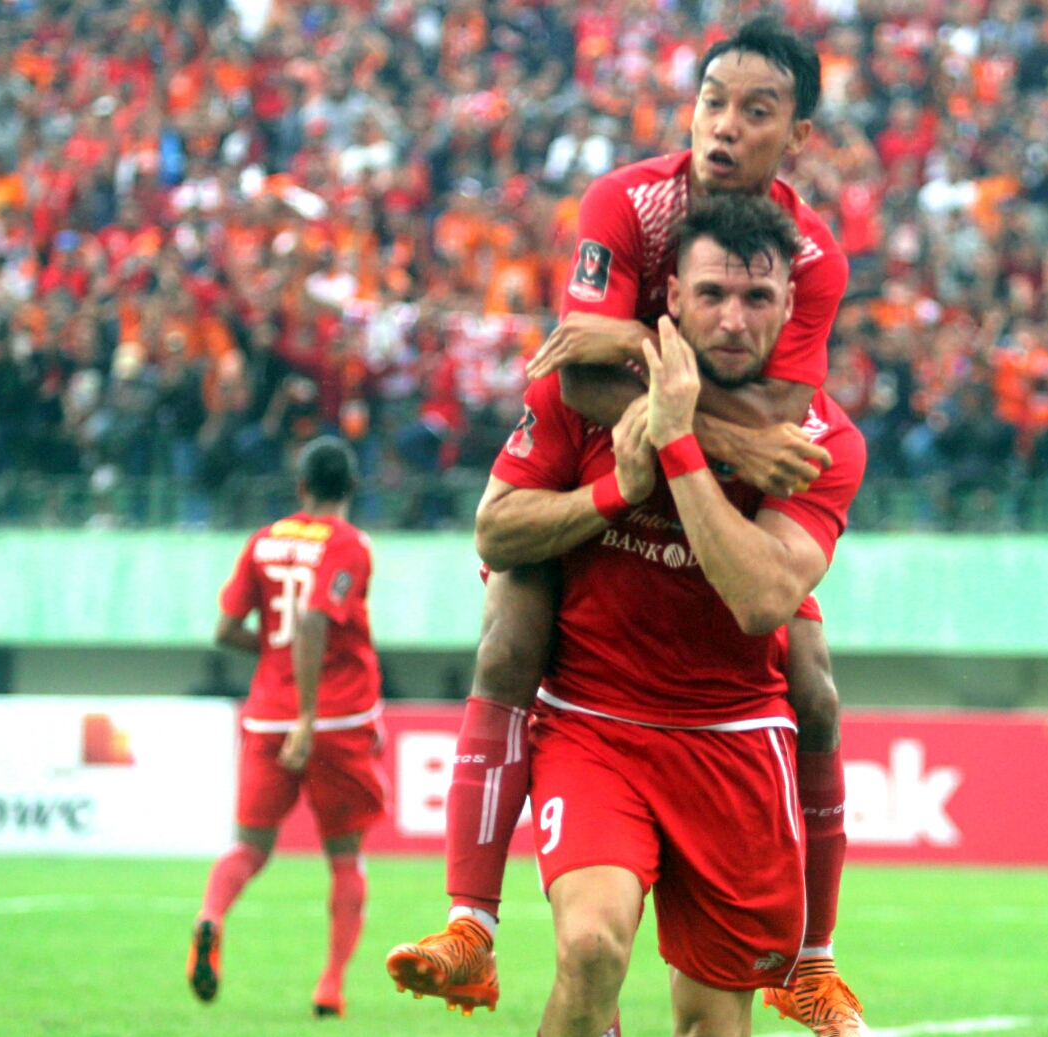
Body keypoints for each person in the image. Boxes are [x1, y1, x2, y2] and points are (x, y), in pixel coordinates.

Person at [388, 19, 866, 1037]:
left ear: (800, 135)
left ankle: (814, 961)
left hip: (719, 545)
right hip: (602, 461)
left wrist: (661, 382)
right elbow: (574, 367)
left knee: (816, 690)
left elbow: (785, 420)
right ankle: (469, 920)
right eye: (712, 102)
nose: (725, 127)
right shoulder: (629, 200)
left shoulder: (814, 258)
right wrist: (663, 383)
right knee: (512, 633)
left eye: (757, 110)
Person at [188, 437, 385, 1018]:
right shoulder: (349, 544)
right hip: (334, 720)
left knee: (249, 846)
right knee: (345, 857)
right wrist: (307, 714)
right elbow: (317, 622)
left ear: (301, 487)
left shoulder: (264, 539)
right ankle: (330, 986)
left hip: (266, 715)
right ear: (350, 488)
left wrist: (274, 663)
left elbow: (225, 629)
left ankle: (210, 917)